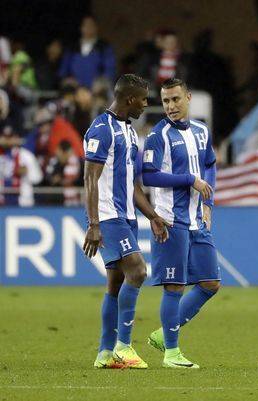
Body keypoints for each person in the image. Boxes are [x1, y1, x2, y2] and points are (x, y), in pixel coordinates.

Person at [84, 74, 169, 369]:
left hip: (128, 216)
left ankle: (105, 353)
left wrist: (153, 215)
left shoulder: (131, 133)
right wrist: (93, 223)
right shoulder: (101, 128)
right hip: (109, 215)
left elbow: (132, 183)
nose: (146, 105)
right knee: (138, 270)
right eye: (144, 100)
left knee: (116, 283)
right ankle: (124, 346)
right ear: (130, 99)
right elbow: (90, 177)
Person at [141, 78, 220, 369]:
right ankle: (171, 353)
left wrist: (209, 203)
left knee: (210, 283)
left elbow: (210, 165)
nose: (171, 106)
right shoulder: (157, 135)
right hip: (170, 221)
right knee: (174, 287)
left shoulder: (201, 131)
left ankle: (164, 333)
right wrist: (190, 180)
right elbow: (148, 175)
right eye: (165, 102)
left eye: (175, 99)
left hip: (198, 221)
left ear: (188, 97)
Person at [60, 15, 116, 88]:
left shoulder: (103, 47)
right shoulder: (72, 48)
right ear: (81, 28)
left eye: (91, 25)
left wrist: (102, 82)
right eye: (85, 25)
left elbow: (110, 70)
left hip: (97, 90)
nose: (88, 28)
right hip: (75, 90)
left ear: (96, 27)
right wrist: (67, 80)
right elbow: (63, 71)